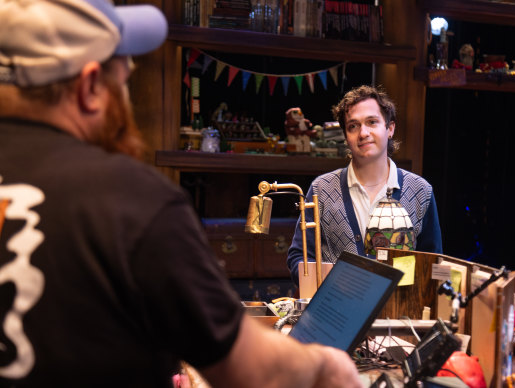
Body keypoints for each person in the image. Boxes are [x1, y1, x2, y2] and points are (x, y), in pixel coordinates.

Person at [0, 1, 364, 387]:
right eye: (123, 81)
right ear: (90, 86)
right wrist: (327, 367)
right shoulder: (128, 198)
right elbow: (250, 370)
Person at [287, 85, 442, 285]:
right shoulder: (321, 190)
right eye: (353, 126)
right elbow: (299, 258)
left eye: (372, 122)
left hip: (399, 315)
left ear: (390, 129)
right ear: (346, 136)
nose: (363, 133)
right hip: (337, 312)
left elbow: (433, 263)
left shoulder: (421, 191)